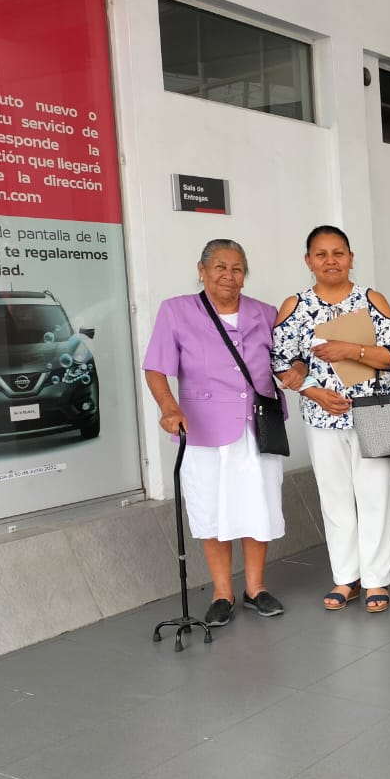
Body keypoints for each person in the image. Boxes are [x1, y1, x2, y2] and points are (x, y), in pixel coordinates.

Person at [143, 239, 287, 627]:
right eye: (220, 267)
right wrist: (169, 407)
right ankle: (222, 593)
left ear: (245, 275)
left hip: (258, 426)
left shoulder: (265, 313)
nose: (228, 275)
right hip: (203, 427)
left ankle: (256, 589)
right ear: (202, 270)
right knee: (211, 507)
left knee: (259, 505)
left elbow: (285, 363)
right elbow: (155, 367)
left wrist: (300, 373)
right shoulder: (176, 311)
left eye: (237, 268)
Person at [273, 225, 390, 613]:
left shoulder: (371, 300)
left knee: (374, 498)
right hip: (322, 415)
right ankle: (345, 578)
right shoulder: (295, 306)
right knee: (334, 499)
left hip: (372, 413)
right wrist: (313, 391)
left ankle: (376, 580)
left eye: (338, 253)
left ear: (351, 258)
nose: (330, 261)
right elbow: (280, 363)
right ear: (308, 261)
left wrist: (351, 349)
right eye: (321, 254)